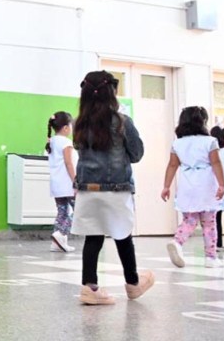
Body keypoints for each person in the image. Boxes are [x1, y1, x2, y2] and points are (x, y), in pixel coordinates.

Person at [71, 71, 153, 306]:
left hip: (88, 190)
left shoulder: (78, 124)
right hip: (117, 189)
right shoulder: (122, 122)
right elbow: (136, 154)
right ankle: (133, 283)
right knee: (123, 235)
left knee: (93, 237)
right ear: (112, 93)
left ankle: (90, 287)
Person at [162, 107, 224, 269]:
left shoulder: (177, 143)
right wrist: (222, 184)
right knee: (209, 222)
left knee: (190, 219)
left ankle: (177, 241)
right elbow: (216, 163)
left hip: (187, 183)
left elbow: (172, 165)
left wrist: (166, 186)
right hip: (206, 184)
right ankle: (210, 258)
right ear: (203, 122)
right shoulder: (210, 141)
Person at [46, 111, 77, 253]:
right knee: (78, 211)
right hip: (68, 183)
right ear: (65, 128)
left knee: (62, 212)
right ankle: (61, 233)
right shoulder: (66, 142)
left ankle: (57, 242)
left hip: (56, 184)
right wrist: (75, 181)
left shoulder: (51, 141)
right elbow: (68, 163)